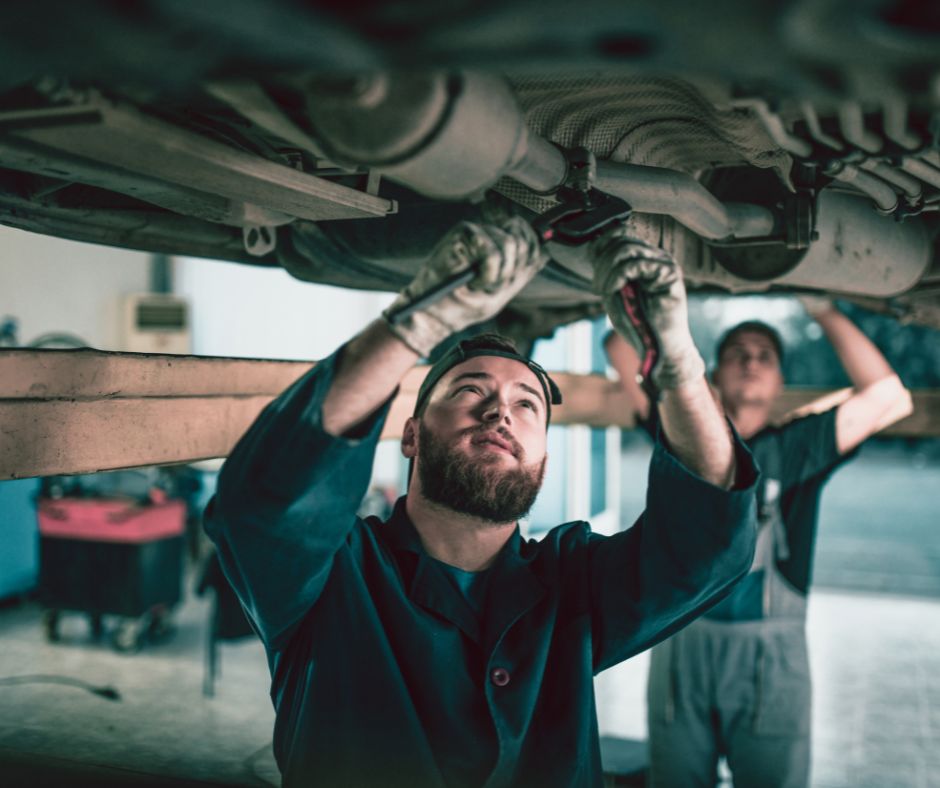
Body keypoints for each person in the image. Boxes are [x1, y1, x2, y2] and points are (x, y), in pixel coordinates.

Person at [205, 218, 760, 787]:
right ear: (413, 435)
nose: (500, 413)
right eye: (471, 390)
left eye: (528, 406)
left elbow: (709, 545)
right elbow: (265, 503)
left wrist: (678, 366)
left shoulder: (572, 586)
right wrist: (416, 321)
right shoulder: (333, 578)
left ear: (544, 456)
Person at [605, 297, 913, 788]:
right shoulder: (683, 429)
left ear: (779, 384)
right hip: (682, 651)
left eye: (765, 355)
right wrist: (685, 294)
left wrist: (821, 306)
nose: (750, 361)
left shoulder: (799, 446)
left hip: (770, 663)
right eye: (737, 353)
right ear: (714, 373)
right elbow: (618, 348)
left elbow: (890, 397)